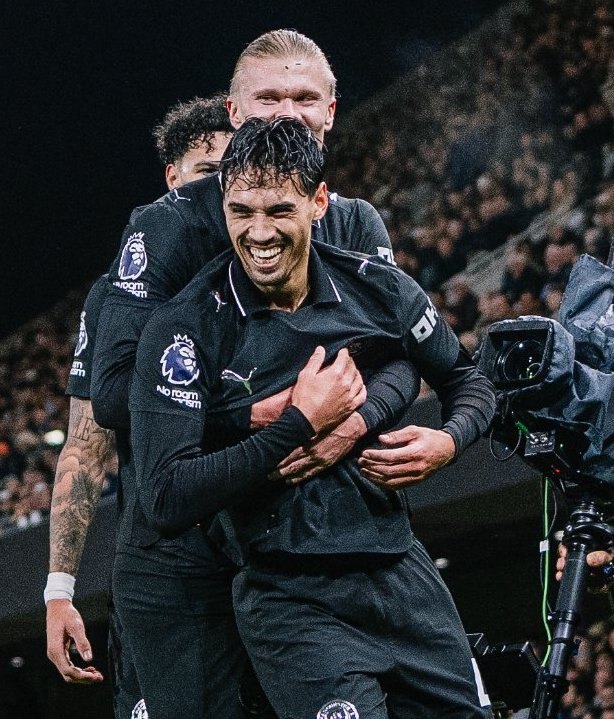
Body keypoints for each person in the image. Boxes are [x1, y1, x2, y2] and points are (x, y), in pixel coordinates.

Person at [88, 31, 436, 719]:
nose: (287, 113)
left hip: (305, 542)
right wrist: (261, 415)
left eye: (304, 98)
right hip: (187, 551)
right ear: (233, 111)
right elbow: (110, 393)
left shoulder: (352, 220)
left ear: (331, 112)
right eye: (268, 97)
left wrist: (359, 419)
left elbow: (401, 358)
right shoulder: (165, 228)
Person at [129, 117, 494, 718]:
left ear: (319, 201)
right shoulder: (185, 327)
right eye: (240, 211)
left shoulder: (378, 289)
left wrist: (448, 442)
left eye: (278, 210)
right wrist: (296, 424)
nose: (258, 232)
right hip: (288, 596)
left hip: (401, 573)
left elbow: (466, 377)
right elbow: (166, 495)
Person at [44, 94, 232, 717]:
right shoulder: (115, 300)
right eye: (207, 173)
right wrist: (59, 590)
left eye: (233, 175)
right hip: (161, 564)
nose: (220, 191)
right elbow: (84, 446)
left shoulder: (274, 276)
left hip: (265, 550)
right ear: (172, 179)